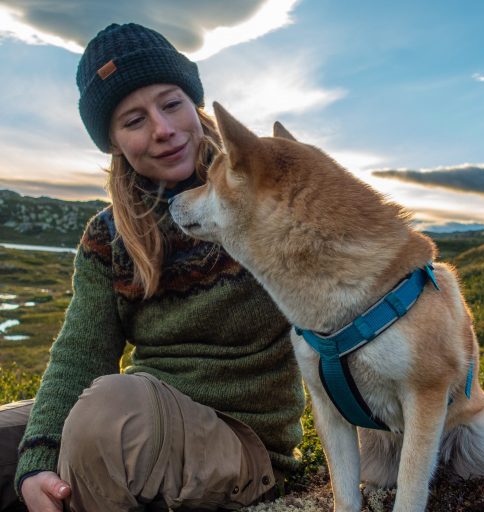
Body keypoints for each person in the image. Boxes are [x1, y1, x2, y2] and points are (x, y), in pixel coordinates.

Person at [0, 23, 305, 512]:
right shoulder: (108, 235)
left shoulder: (262, 190)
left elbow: (344, 291)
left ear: (195, 103)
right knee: (14, 442)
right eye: (134, 120)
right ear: (114, 142)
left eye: (170, 103)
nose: (162, 130)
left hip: (243, 444)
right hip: (142, 413)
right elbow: (81, 351)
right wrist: (38, 459)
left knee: (105, 419)